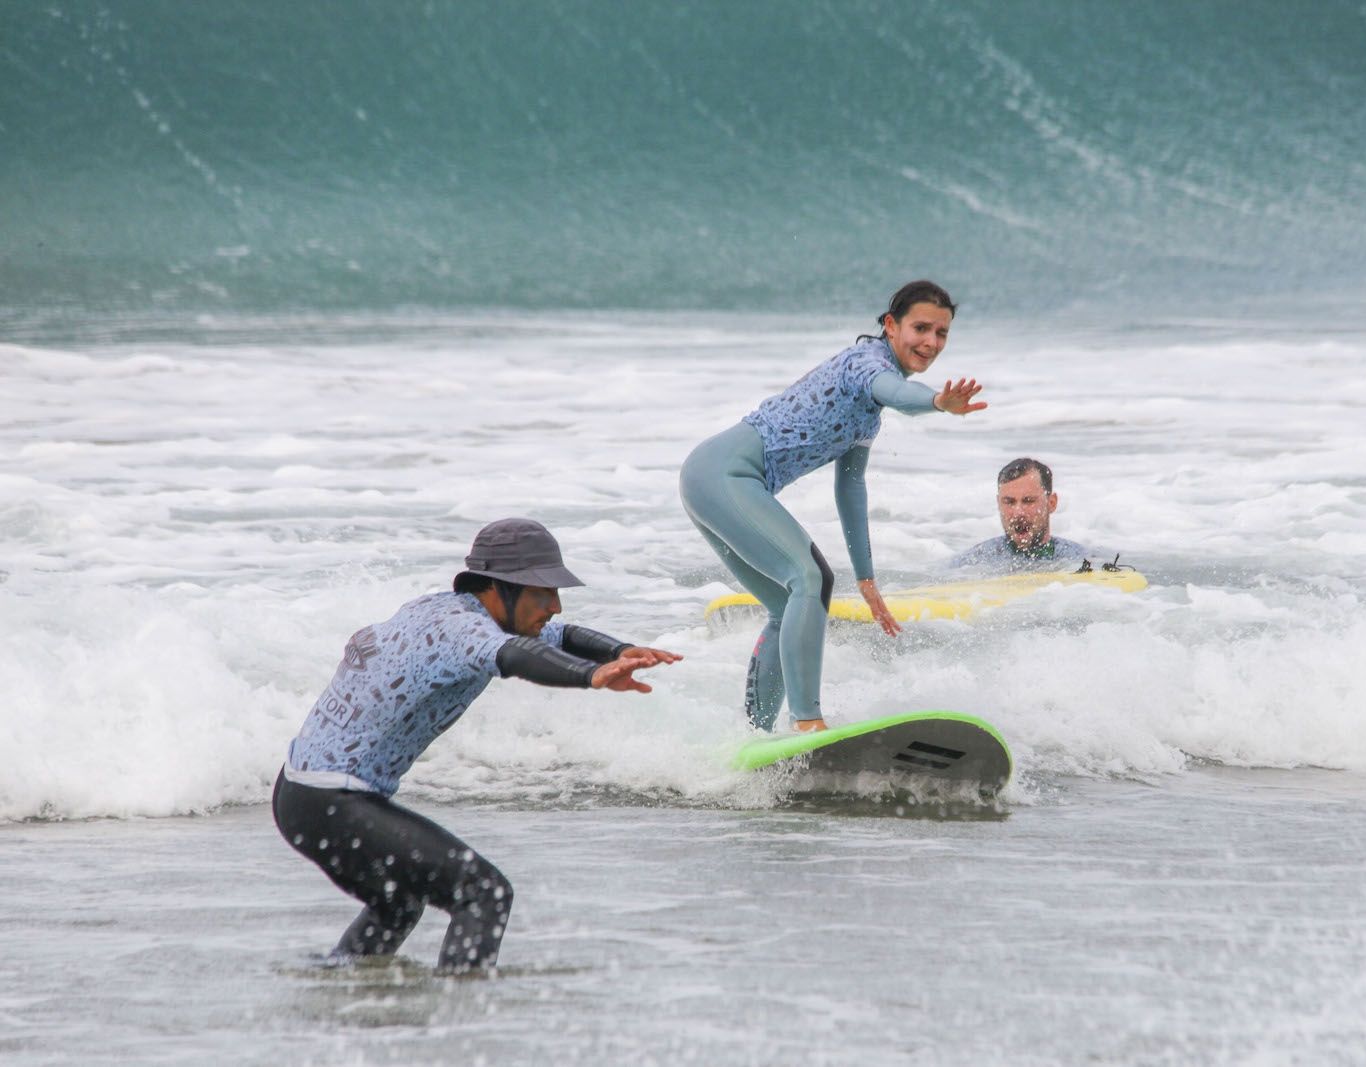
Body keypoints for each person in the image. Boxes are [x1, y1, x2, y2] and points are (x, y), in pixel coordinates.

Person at [272, 518, 680, 973]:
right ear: (498, 588)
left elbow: (560, 636)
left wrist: (619, 651)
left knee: (398, 903)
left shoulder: (458, 612)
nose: (556, 604)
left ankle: (339, 981)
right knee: (484, 893)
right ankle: (462, 1019)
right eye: (543, 592)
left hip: (301, 795)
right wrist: (590, 676)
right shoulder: (457, 631)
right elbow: (515, 657)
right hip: (329, 799)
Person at [680, 279, 987, 734]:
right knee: (809, 578)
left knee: (790, 605)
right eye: (921, 328)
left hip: (710, 480)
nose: (931, 343)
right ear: (890, 325)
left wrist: (866, 579)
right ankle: (809, 723)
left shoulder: (867, 409)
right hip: (724, 475)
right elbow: (898, 394)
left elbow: (851, 485)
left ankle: (755, 737)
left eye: (941, 333)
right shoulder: (866, 364)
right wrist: (938, 402)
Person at [948, 457, 1090, 571]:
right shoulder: (972, 561)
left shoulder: (1079, 558)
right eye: (1009, 502)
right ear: (999, 503)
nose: (1018, 513)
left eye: (1028, 501)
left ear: (1051, 503)